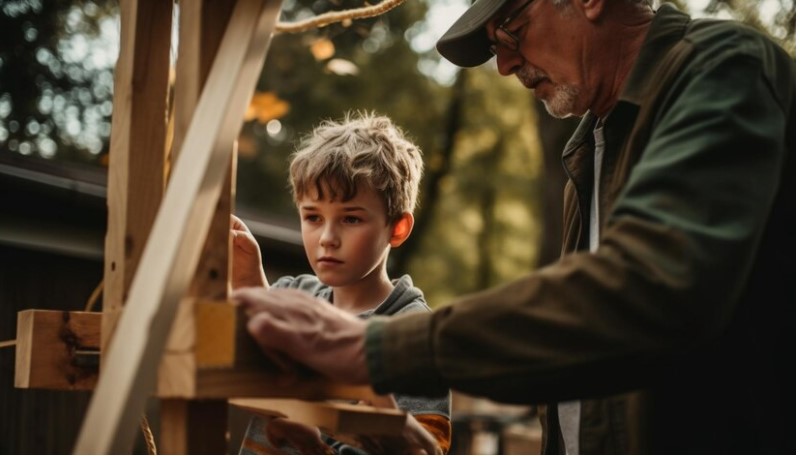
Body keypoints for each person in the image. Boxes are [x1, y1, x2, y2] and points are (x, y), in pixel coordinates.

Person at [233, 0, 795, 454]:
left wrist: (373, 347)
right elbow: (586, 351)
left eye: (511, 29)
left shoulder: (725, 66)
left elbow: (647, 289)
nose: (504, 65)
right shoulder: (591, 149)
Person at [231, 111, 451, 455]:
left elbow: (423, 450)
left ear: (397, 228)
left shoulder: (413, 337)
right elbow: (257, 350)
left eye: (350, 218)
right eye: (313, 217)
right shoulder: (293, 293)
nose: (327, 238)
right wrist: (246, 276)